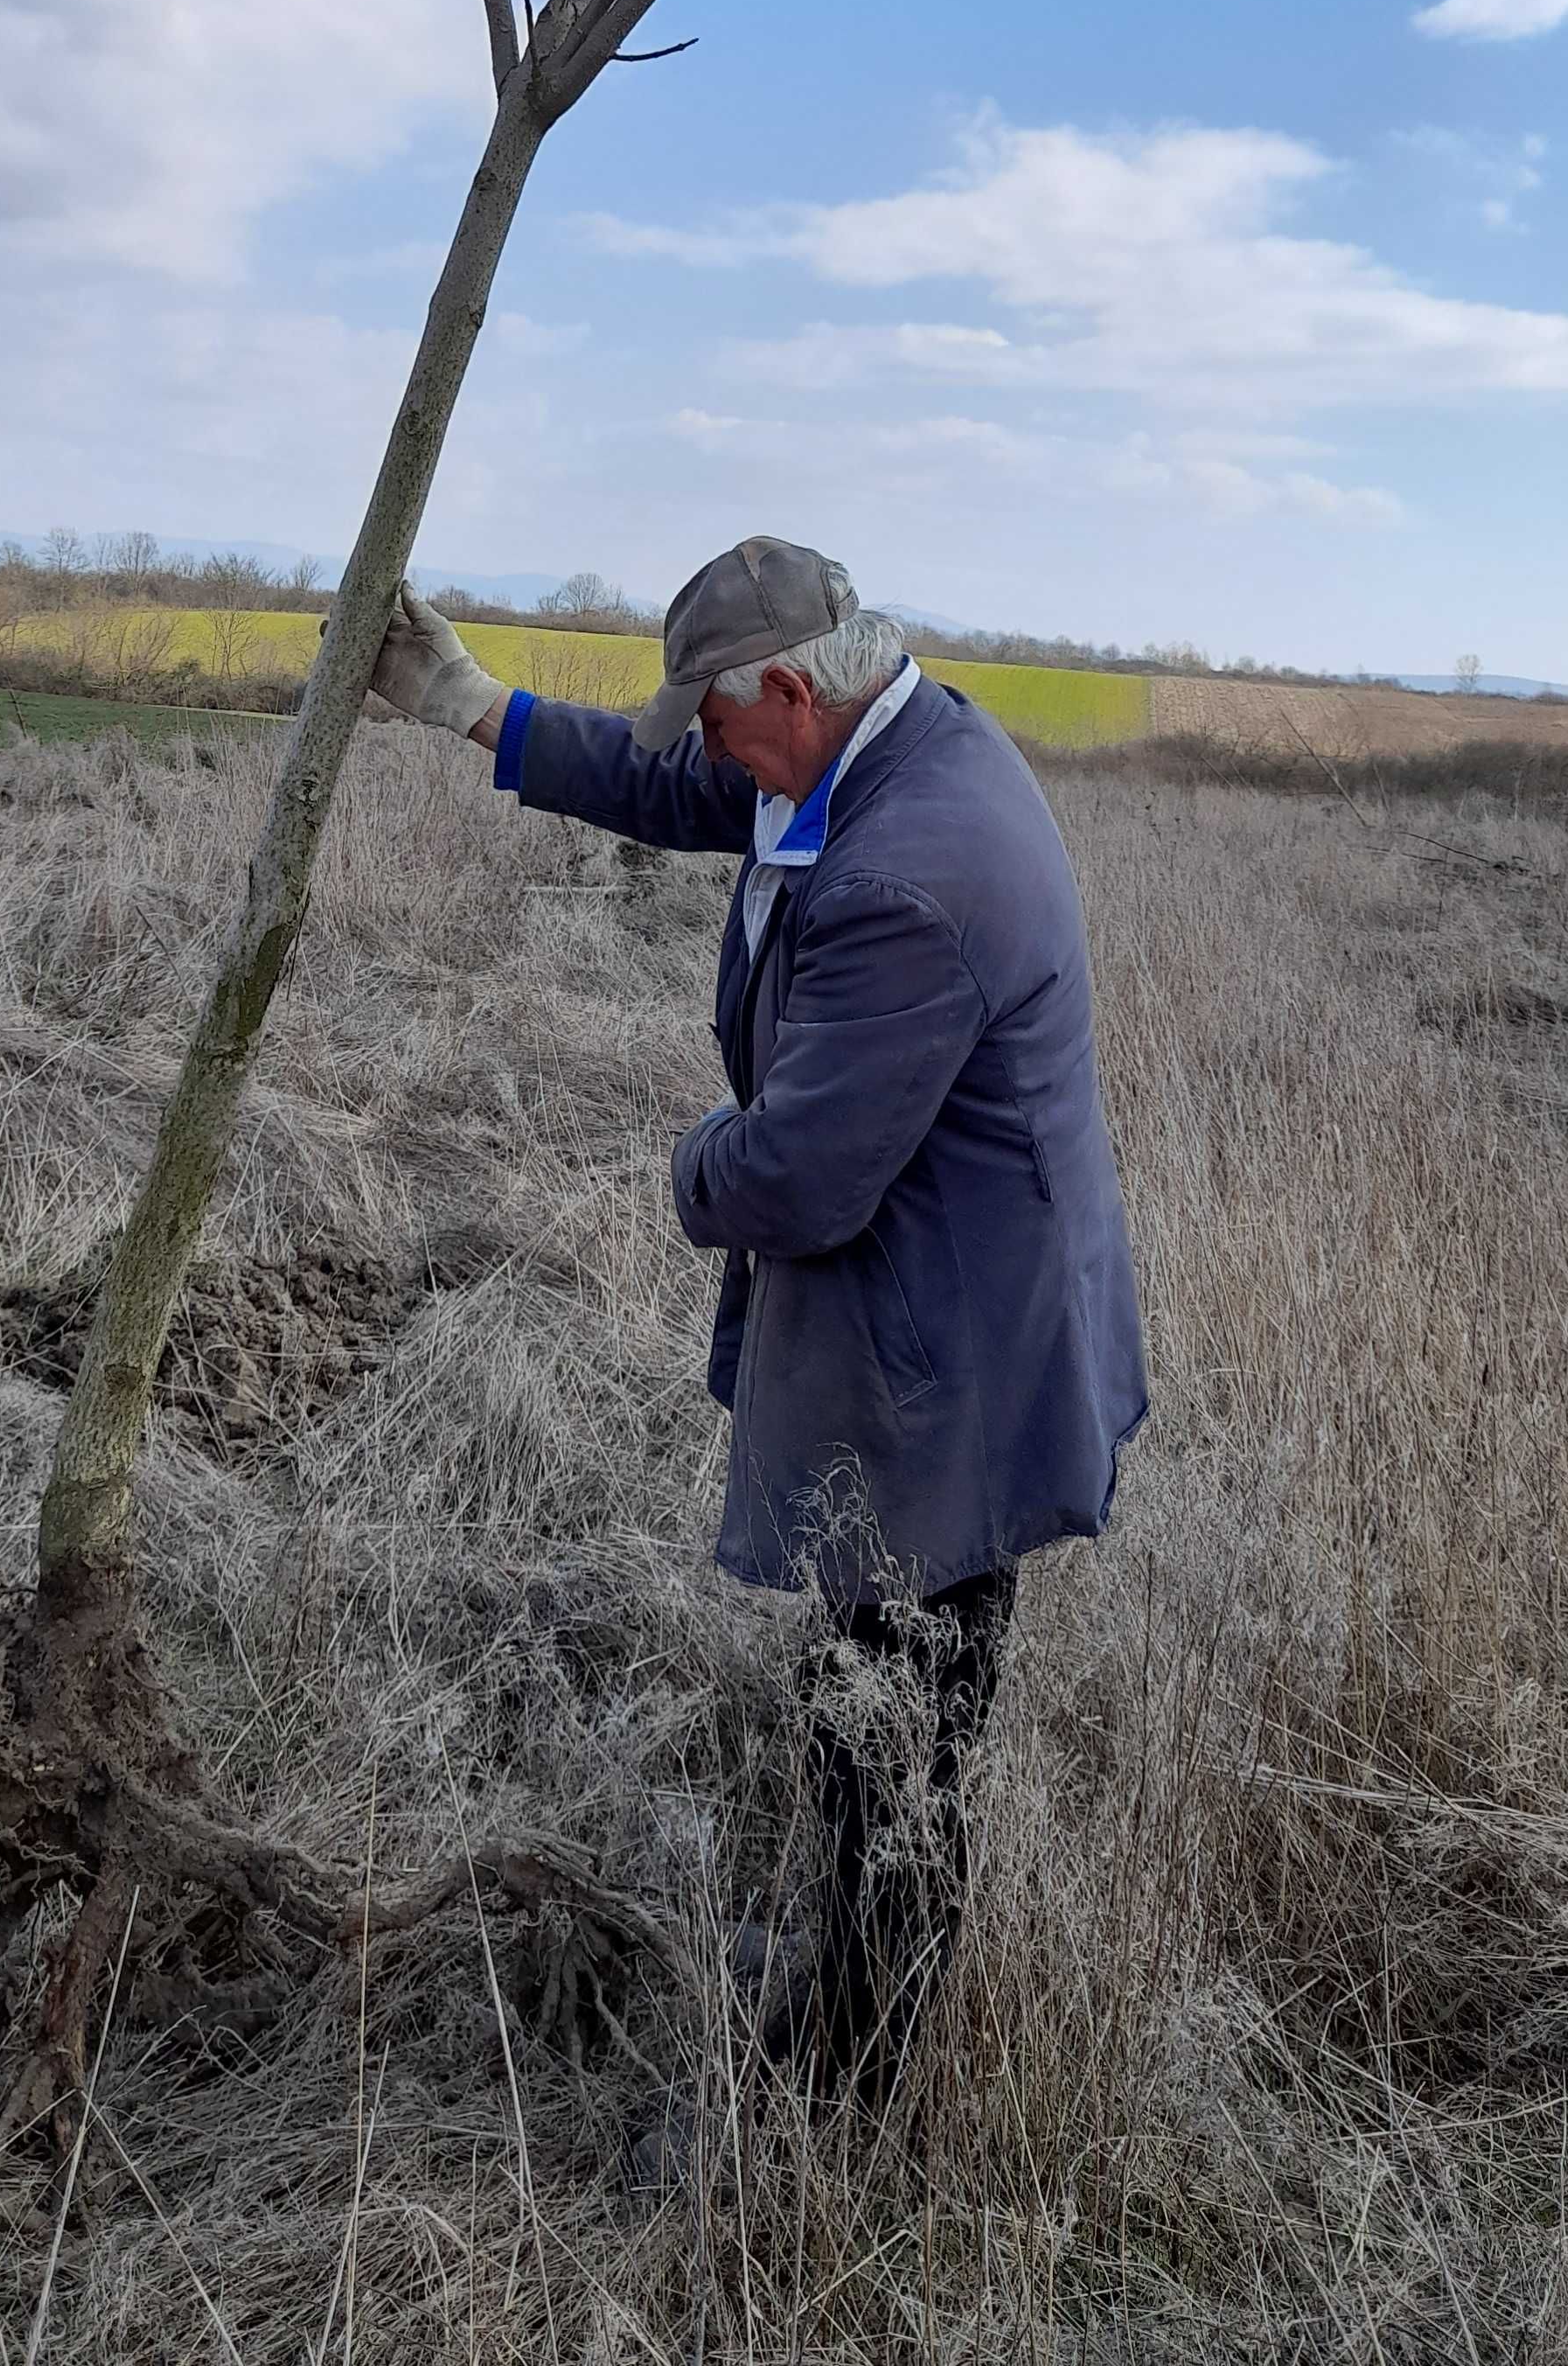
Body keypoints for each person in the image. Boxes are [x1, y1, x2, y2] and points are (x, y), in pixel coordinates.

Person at [368, 534, 1148, 2100]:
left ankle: (842, 2091)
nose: (707, 753)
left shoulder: (912, 872)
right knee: (861, 1707)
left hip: (952, 1375)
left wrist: (685, 1158)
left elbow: (795, 1181)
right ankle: (839, 1974)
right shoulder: (870, 741)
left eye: (714, 717)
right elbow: (680, 790)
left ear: (789, 685)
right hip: (937, 1318)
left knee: (899, 1735)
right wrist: (470, 706)